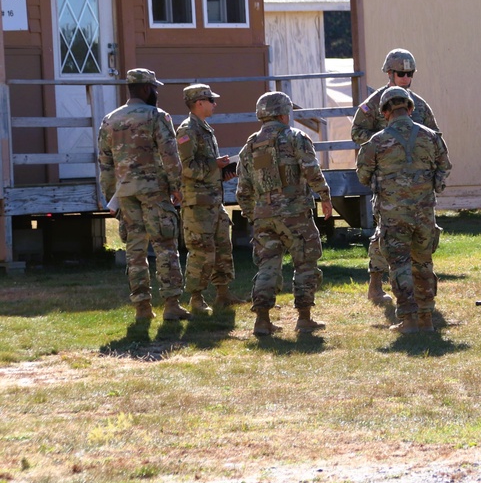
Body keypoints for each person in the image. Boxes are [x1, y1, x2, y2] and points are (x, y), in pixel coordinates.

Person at [236, 91, 333, 336]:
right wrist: (325, 197)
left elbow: (243, 189)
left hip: (264, 216)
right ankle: (304, 318)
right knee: (305, 263)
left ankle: (262, 320)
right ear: (283, 114)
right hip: (295, 213)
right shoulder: (296, 138)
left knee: (267, 266)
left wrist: (254, 214)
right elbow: (311, 171)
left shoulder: (250, 145)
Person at [356, 86, 452, 333]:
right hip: (424, 214)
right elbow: (445, 166)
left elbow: (363, 176)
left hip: (393, 216)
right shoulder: (431, 137)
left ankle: (408, 320)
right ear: (410, 108)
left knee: (399, 266)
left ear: (385, 112)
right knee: (423, 265)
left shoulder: (375, 142)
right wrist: (433, 185)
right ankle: (427, 320)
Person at [98, 68, 189, 321]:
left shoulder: (110, 119)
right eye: (155, 88)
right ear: (147, 89)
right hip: (154, 191)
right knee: (165, 246)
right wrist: (177, 188)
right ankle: (171, 305)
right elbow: (170, 155)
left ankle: (142, 308)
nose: (157, 93)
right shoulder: (157, 116)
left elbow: (104, 163)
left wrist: (110, 198)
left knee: (135, 251)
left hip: (125, 194)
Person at [352, 48, 440, 307]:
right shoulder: (374, 104)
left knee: (421, 234)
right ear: (389, 73)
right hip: (388, 182)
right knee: (384, 232)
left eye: (409, 73)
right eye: (401, 73)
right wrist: (384, 146)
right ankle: (376, 284)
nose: (405, 78)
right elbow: (357, 132)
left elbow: (434, 135)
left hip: (417, 184)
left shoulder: (419, 104)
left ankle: (417, 287)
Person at [175, 83, 243, 314]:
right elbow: (185, 168)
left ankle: (223, 295)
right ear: (199, 103)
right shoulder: (187, 131)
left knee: (223, 247)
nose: (215, 104)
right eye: (211, 100)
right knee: (202, 251)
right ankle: (196, 298)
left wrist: (223, 172)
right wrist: (214, 165)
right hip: (198, 204)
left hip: (214, 200)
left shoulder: (204, 128)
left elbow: (205, 169)